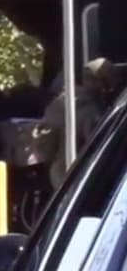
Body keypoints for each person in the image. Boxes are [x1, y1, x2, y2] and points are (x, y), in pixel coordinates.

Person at [44, 57, 122, 188]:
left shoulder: (61, 101)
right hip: (77, 174)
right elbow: (98, 146)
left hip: (56, 171)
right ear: (103, 84)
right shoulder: (91, 111)